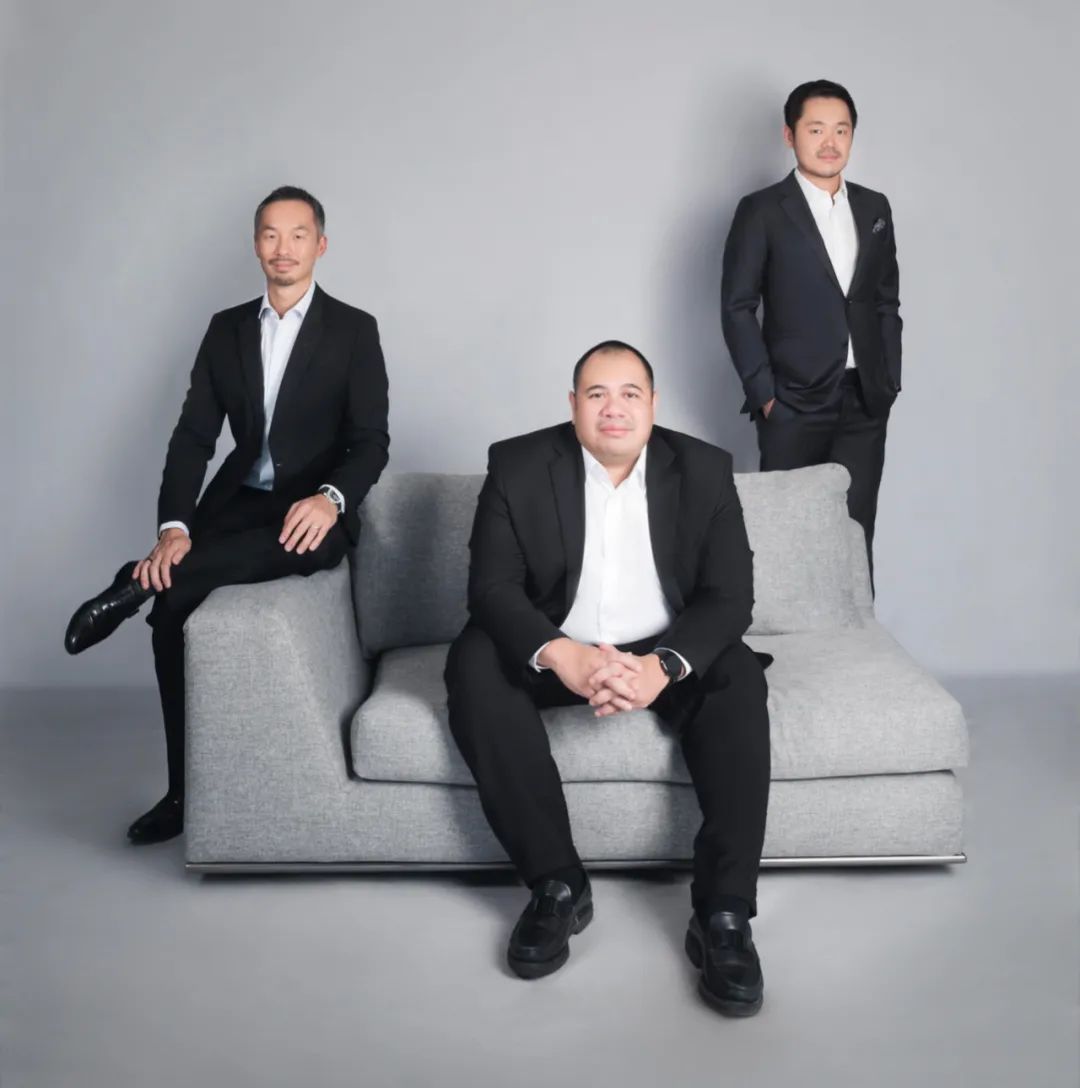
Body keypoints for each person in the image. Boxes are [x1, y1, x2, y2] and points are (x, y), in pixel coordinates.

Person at [445, 340, 771, 1016]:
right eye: (596, 394)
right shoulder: (517, 464)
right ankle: (557, 886)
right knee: (474, 660)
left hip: (663, 649)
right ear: (573, 405)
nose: (613, 409)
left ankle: (724, 914)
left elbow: (729, 597)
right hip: (561, 645)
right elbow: (492, 588)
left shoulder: (705, 469)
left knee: (737, 672)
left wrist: (661, 667)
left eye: (629, 394)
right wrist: (563, 655)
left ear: (653, 404)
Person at [65, 186, 389, 844]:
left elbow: (371, 440)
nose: (283, 248)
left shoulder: (354, 330)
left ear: (321, 245)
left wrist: (331, 498)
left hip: (312, 512)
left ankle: (131, 582)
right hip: (237, 504)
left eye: (298, 235)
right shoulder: (226, 329)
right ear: (255, 245)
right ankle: (181, 795)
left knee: (184, 578)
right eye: (270, 234)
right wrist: (174, 529)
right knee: (170, 611)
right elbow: (194, 437)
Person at [721, 79, 901, 581]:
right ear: (790, 135)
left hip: (864, 399)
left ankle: (857, 628)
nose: (830, 142)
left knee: (856, 534)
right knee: (783, 537)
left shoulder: (874, 208)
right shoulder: (762, 210)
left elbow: (885, 300)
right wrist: (765, 394)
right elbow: (737, 306)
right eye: (816, 129)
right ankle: (781, 632)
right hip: (792, 401)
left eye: (841, 130)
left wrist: (887, 381)